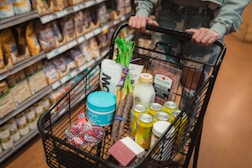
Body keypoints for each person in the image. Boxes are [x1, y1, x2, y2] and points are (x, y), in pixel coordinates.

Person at [129, 0, 251, 92]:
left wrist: (222, 24)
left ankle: (186, 124)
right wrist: (143, 9)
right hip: (167, 10)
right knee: (160, 82)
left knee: (192, 87)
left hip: (209, 18)